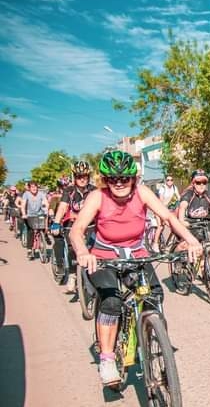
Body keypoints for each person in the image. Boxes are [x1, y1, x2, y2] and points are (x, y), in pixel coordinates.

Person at [69, 151, 202, 386]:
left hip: (137, 255)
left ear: (133, 179)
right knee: (112, 302)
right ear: (105, 180)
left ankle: (151, 337)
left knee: (155, 295)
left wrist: (191, 240)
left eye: (124, 178)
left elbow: (169, 218)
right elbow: (77, 230)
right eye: (112, 179)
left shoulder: (142, 192)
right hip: (103, 257)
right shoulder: (97, 197)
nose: (119, 183)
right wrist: (82, 252)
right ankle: (108, 358)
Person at [51, 161, 96, 293]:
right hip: (72, 225)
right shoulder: (69, 191)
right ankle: (72, 274)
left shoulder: (94, 191)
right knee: (72, 247)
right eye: (79, 176)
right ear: (74, 177)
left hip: (91, 224)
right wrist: (56, 222)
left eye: (85, 176)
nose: (82, 179)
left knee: (96, 248)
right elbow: (63, 206)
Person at [176, 169, 210, 237]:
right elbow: (183, 206)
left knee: (207, 241)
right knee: (184, 245)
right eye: (198, 182)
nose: (201, 185)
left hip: (202, 224)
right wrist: (181, 221)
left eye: (204, 182)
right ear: (193, 183)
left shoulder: (208, 194)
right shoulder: (189, 194)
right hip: (188, 224)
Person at [20, 181, 49, 258]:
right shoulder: (26, 194)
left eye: (35, 186)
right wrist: (24, 214)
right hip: (29, 215)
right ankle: (29, 249)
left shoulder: (41, 194)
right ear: (29, 188)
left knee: (43, 226)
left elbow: (46, 203)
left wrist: (47, 209)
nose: (34, 188)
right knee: (31, 231)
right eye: (32, 187)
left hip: (39, 214)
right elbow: (23, 205)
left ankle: (45, 237)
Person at [151, 174, 180, 252]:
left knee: (173, 226)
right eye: (168, 180)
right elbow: (161, 202)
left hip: (168, 210)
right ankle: (155, 244)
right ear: (165, 181)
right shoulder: (163, 188)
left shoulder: (174, 188)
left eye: (171, 180)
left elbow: (178, 197)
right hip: (158, 209)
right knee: (160, 227)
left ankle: (169, 244)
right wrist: (170, 200)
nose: (170, 181)